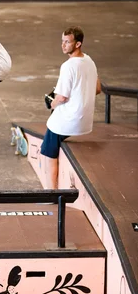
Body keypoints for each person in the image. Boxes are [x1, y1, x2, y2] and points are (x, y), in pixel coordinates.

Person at [40, 26, 101, 189]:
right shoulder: (89, 61)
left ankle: (50, 192)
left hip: (69, 121)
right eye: (62, 41)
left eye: (67, 42)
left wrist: (50, 104)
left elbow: (61, 97)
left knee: (47, 151)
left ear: (78, 44)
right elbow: (97, 89)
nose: (63, 45)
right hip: (85, 122)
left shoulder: (68, 66)